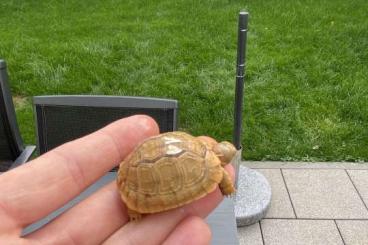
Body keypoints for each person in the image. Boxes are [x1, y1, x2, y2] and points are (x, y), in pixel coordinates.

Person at [0, 115, 234, 244]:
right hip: (145, 174)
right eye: (228, 156)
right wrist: (227, 185)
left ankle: (134, 205)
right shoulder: (214, 169)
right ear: (221, 157)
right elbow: (222, 179)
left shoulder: (194, 145)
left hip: (140, 164)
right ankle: (133, 206)